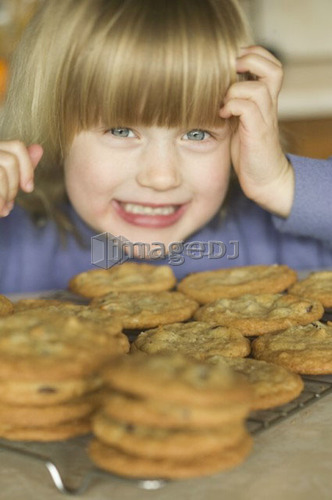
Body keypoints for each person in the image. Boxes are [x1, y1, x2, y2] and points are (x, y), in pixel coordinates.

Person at [0, 0, 331, 294]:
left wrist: (280, 183)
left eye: (198, 134)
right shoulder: (13, 240)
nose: (161, 178)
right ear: (54, 127)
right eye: (121, 130)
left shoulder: (274, 238)